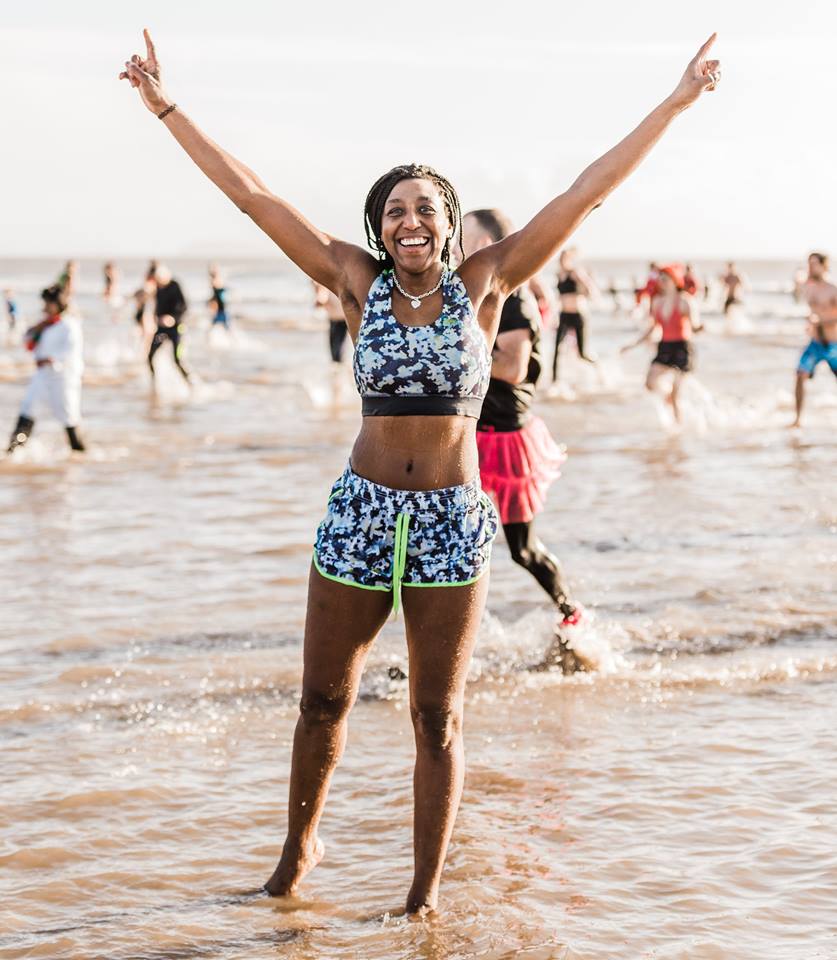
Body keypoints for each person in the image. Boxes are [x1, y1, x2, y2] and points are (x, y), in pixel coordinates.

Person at [120, 27, 721, 914]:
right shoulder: (352, 281)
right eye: (394, 209)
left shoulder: (488, 282)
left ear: (448, 218)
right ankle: (295, 856)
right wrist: (167, 108)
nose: (409, 221)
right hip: (360, 512)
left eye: (424, 207)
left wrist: (673, 103)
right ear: (379, 226)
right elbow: (253, 199)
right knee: (322, 700)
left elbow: (583, 195)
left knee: (435, 718)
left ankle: (421, 896)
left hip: (451, 519)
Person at [463, 209, 587, 673]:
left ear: (495, 244)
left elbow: (513, 367)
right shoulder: (480, 293)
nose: (460, 249)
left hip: (506, 439)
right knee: (454, 539)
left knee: (522, 548)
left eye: (470, 240)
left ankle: (570, 614)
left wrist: (451, 352)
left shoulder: (513, 299)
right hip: (475, 432)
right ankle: (451, 643)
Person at [7, 285, 85, 453]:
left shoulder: (69, 325)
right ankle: (12, 451)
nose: (45, 307)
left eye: (48, 303)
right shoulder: (44, 324)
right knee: (28, 409)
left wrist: (54, 360)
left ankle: (78, 451)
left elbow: (71, 352)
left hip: (63, 379)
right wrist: (35, 329)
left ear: (57, 304)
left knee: (69, 416)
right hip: (42, 375)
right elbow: (27, 341)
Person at [621, 266, 702, 423]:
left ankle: (678, 430)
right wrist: (632, 345)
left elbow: (695, 325)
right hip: (664, 346)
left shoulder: (685, 300)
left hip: (683, 348)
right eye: (660, 279)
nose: (661, 282)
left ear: (674, 280)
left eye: (665, 278)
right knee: (650, 383)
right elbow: (652, 329)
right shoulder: (657, 302)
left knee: (676, 397)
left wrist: (701, 327)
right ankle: (667, 396)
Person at [792, 251, 837, 427]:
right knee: (800, 374)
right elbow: (797, 295)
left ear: (824, 266)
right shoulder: (809, 287)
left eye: (814, 264)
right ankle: (798, 419)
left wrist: (822, 321)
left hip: (834, 344)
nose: (810, 267)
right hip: (815, 343)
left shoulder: (833, 289)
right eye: (809, 263)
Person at [552, 247, 596, 381]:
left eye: (564, 258)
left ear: (569, 259)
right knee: (556, 350)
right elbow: (559, 297)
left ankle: (598, 369)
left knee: (582, 353)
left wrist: (582, 296)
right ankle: (554, 382)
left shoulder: (575, 273)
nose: (561, 261)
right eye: (560, 258)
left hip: (578, 315)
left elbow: (590, 287)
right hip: (564, 315)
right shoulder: (559, 274)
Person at [148, 264, 191, 386]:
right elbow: (156, 307)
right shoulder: (157, 288)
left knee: (177, 359)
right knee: (150, 356)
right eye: (157, 281)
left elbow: (184, 307)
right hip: (161, 329)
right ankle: (154, 383)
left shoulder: (175, 286)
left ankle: (189, 383)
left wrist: (173, 318)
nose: (159, 284)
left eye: (160, 281)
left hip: (177, 328)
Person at [313, 281, 349, 363]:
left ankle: (338, 365)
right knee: (341, 344)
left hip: (337, 318)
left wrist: (318, 301)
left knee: (336, 346)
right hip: (344, 315)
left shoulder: (323, 285)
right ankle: (340, 365)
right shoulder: (333, 282)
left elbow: (321, 300)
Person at [208, 264, 230, 328]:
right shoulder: (217, 288)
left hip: (221, 310)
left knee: (226, 328)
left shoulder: (217, 286)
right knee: (225, 327)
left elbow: (218, 296)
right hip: (220, 309)